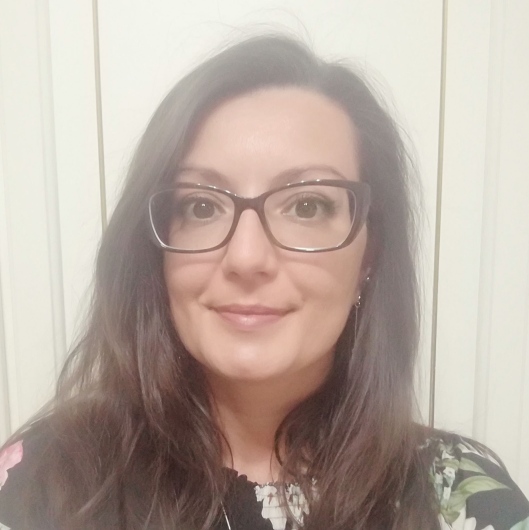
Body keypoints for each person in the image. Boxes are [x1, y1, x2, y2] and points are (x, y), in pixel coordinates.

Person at [0, 34, 527, 530]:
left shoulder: (464, 499)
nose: (246, 258)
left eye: (307, 205)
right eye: (200, 206)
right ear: (153, 252)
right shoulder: (43, 485)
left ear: (370, 254)